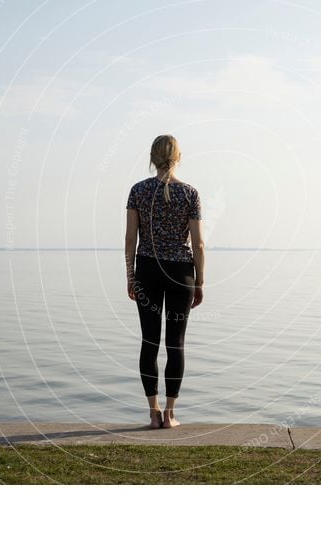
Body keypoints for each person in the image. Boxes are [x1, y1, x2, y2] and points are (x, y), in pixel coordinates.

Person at [125, 135, 205, 429]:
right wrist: (200, 282)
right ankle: (171, 414)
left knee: (149, 341)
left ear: (152, 156)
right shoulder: (190, 194)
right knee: (176, 343)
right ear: (178, 157)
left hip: (147, 270)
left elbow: (130, 238)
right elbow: (198, 245)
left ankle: (153, 412)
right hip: (181, 273)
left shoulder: (138, 191)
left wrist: (130, 274)